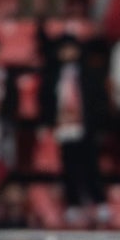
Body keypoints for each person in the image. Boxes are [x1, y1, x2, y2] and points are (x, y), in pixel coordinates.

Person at [40, 34, 106, 208]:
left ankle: (99, 202)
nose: (68, 53)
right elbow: (46, 101)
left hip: (86, 127)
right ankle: (73, 203)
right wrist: (52, 120)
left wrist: (97, 125)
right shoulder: (52, 76)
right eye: (64, 50)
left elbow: (98, 101)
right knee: (69, 167)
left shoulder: (89, 74)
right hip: (63, 128)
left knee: (91, 165)